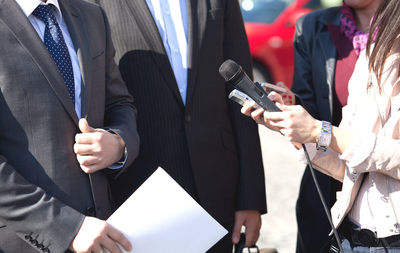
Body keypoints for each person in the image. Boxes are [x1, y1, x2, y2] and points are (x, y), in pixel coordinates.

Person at [88, 0, 267, 252]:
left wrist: (251, 198)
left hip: (219, 191)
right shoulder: (92, 6)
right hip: (141, 196)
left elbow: (242, 89)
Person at [242, 0, 400, 251]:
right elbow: (312, 119)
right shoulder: (363, 52)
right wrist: (288, 118)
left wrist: (319, 132)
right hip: (344, 208)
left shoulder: (377, 47)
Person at [0, 0, 140, 252]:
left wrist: (119, 143)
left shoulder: (91, 15)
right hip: (26, 241)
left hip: (105, 232)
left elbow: (119, 103)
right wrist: (66, 227)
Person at [290, 0, 381, 251]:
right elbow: (307, 113)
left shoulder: (391, 35)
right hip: (327, 189)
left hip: (387, 198)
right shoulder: (310, 27)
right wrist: (285, 109)